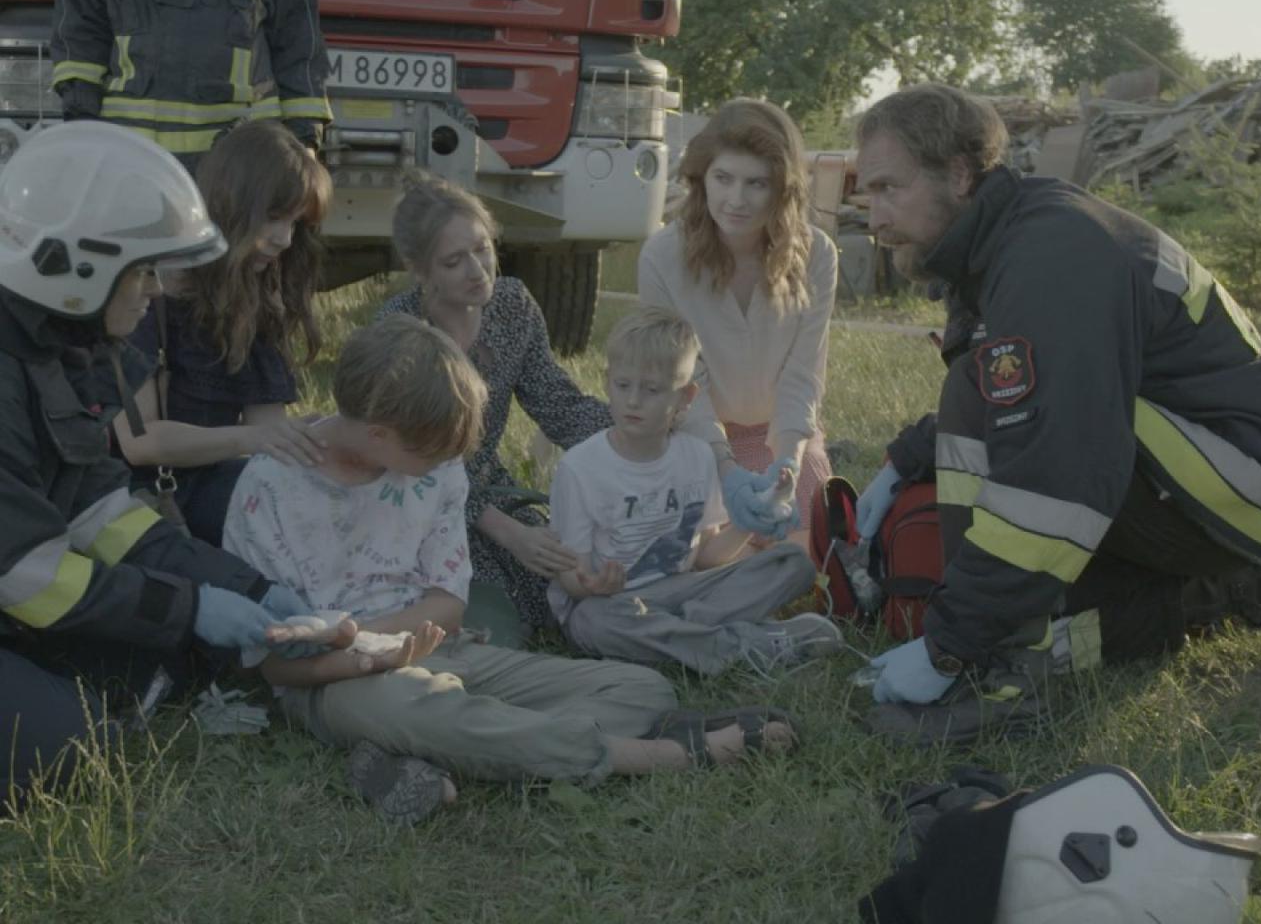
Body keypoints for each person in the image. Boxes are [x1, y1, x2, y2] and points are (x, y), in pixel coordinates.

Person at [222, 314, 802, 825]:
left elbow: (447, 605)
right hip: (333, 680)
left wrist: (387, 642)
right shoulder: (270, 488)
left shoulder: (439, 469)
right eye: (433, 453)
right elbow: (276, 663)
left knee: (641, 691)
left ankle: (436, 745)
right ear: (380, 434)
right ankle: (663, 755)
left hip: (439, 647)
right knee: (405, 705)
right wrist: (366, 657)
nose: (448, 464)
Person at [850, 84, 1261, 714]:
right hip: (1203, 476)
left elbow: (1054, 469)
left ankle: (994, 665)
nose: (873, 217)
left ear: (959, 175)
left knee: (982, 398)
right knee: (1056, 608)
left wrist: (952, 644)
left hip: (1245, 482)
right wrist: (908, 455)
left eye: (889, 188)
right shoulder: (1011, 238)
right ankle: (1223, 592)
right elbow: (1042, 410)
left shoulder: (1049, 258)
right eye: (867, 193)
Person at [0, 122, 317, 802]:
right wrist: (188, 607)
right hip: (12, 587)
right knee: (68, 749)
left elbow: (105, 515)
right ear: (79, 268)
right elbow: (24, 575)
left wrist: (246, 588)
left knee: (168, 657)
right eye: (144, 271)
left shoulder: (53, 348)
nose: (156, 290)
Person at [547, 306, 841, 676]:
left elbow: (707, 557)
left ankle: (679, 634)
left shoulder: (698, 456)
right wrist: (593, 585)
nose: (633, 400)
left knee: (793, 563)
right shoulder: (580, 468)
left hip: (685, 589)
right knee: (589, 622)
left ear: (686, 397)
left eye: (652, 389)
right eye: (623, 385)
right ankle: (748, 644)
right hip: (614, 602)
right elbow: (571, 580)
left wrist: (750, 521)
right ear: (607, 383)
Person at [378, 172, 612, 634]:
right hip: (413, 499)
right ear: (420, 270)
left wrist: (637, 426)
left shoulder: (512, 305)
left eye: (483, 249)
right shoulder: (398, 329)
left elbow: (558, 405)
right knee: (488, 615)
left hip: (488, 486)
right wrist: (509, 531)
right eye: (454, 261)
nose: (478, 270)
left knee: (561, 589)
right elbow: (410, 464)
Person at [111, 120, 333, 546]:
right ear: (230, 205)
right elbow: (139, 442)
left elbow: (268, 432)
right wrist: (253, 439)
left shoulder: (255, 298)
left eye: (295, 223)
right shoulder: (147, 290)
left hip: (213, 487)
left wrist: (313, 437)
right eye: (274, 219)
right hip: (136, 499)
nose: (286, 240)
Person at [638, 99, 838, 544]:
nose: (736, 200)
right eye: (723, 178)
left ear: (782, 188)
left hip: (782, 436)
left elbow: (803, 374)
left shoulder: (817, 254)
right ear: (702, 178)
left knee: (809, 552)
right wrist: (726, 470)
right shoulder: (661, 257)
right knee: (716, 558)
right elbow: (683, 382)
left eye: (756, 183)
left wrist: (787, 465)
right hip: (694, 436)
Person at [51, 0, 332, 171]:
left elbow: (299, 50)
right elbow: (80, 39)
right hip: (128, 167)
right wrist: (82, 131)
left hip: (240, 175)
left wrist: (304, 147)